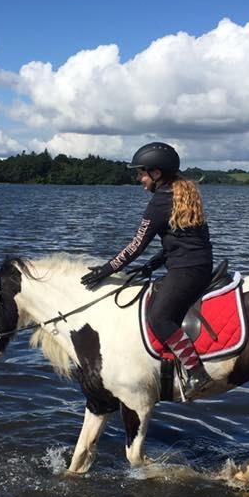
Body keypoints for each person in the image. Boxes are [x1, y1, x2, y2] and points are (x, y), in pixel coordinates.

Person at [81, 142, 215, 400]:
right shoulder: (182, 193)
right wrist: (154, 263)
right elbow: (183, 239)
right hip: (198, 264)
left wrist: (106, 270)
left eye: (142, 173)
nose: (139, 179)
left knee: (159, 317)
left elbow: (135, 246)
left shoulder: (159, 202)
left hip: (187, 269)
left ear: (156, 173)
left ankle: (196, 371)